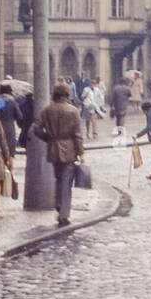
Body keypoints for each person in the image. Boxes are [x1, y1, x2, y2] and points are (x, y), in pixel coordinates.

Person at [33, 81, 84, 226]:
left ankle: (59, 204)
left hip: (53, 148)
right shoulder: (73, 111)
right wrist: (81, 152)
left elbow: (37, 129)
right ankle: (64, 214)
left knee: (58, 178)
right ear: (67, 94)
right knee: (67, 182)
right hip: (69, 149)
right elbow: (78, 134)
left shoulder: (47, 110)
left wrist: (48, 138)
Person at [0, 85, 22, 155]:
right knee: (10, 151)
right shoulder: (12, 102)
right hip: (9, 127)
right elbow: (19, 116)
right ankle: (10, 164)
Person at [16, 88, 36, 152]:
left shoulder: (22, 105)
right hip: (33, 124)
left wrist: (20, 124)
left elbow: (19, 117)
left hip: (25, 125)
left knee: (24, 138)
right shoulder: (36, 105)